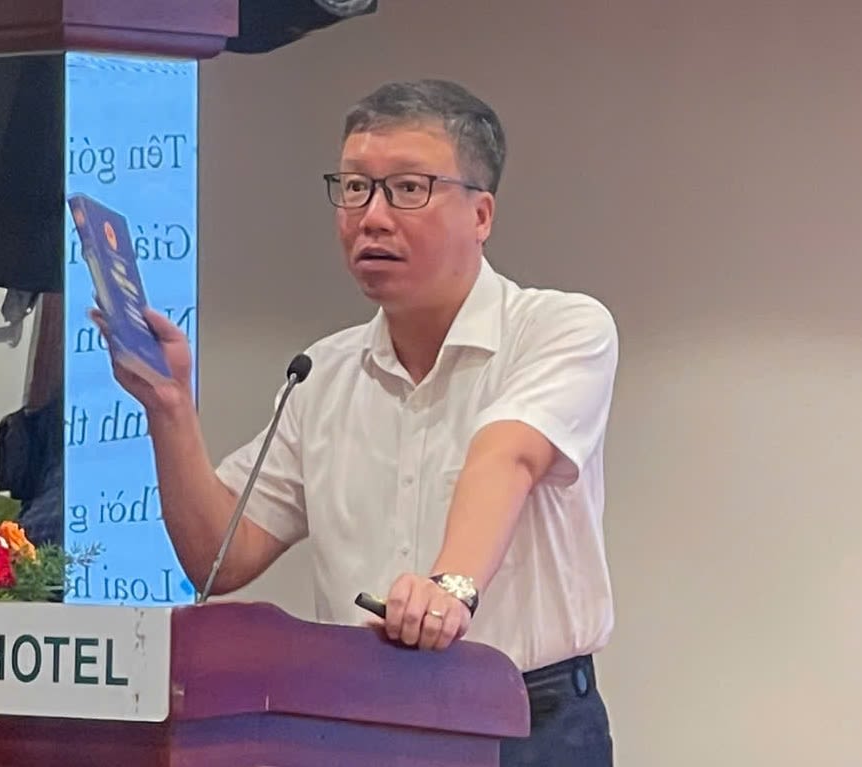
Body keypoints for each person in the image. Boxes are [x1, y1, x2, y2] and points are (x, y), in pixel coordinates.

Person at [92, 78, 617, 766]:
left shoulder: (560, 328)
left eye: (408, 189)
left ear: (481, 213)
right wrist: (169, 409)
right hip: (357, 723)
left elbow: (506, 455)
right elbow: (220, 553)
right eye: (354, 188)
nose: (372, 217)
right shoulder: (322, 372)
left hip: (526, 723)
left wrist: (450, 589)